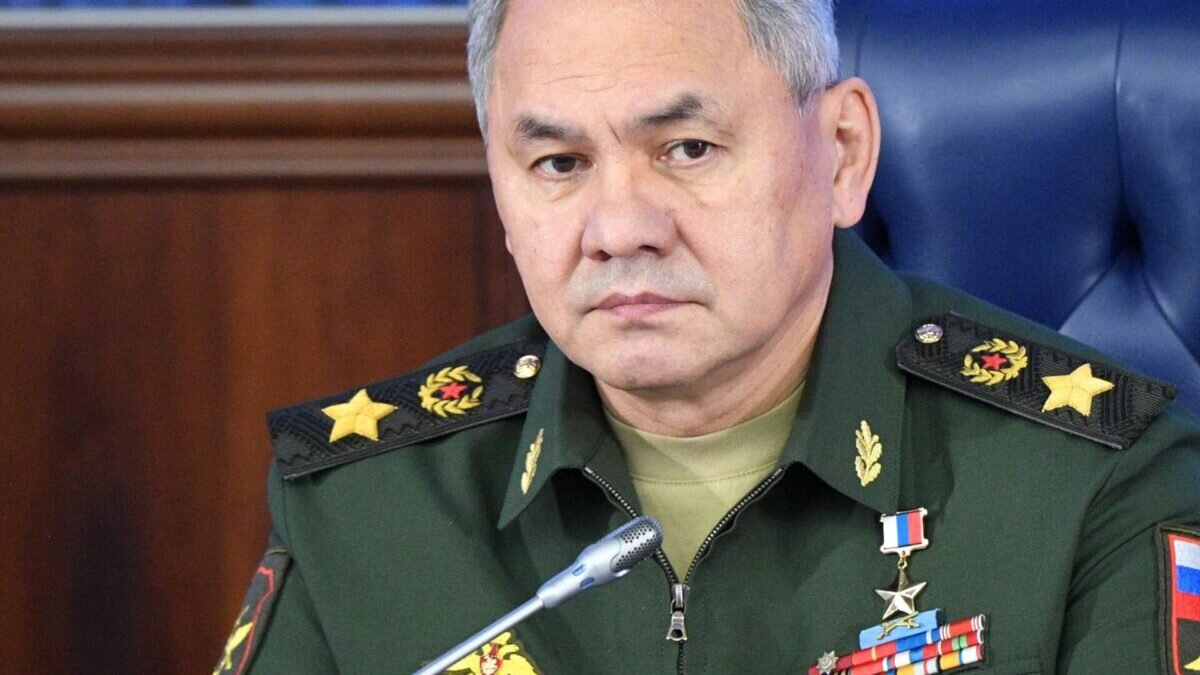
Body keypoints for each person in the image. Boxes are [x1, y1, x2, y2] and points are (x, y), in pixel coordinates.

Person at [214, 0, 1200, 673]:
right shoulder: (366, 502)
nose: (618, 227)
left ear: (842, 153)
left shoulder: (1096, 486)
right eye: (558, 163)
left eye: (687, 149)